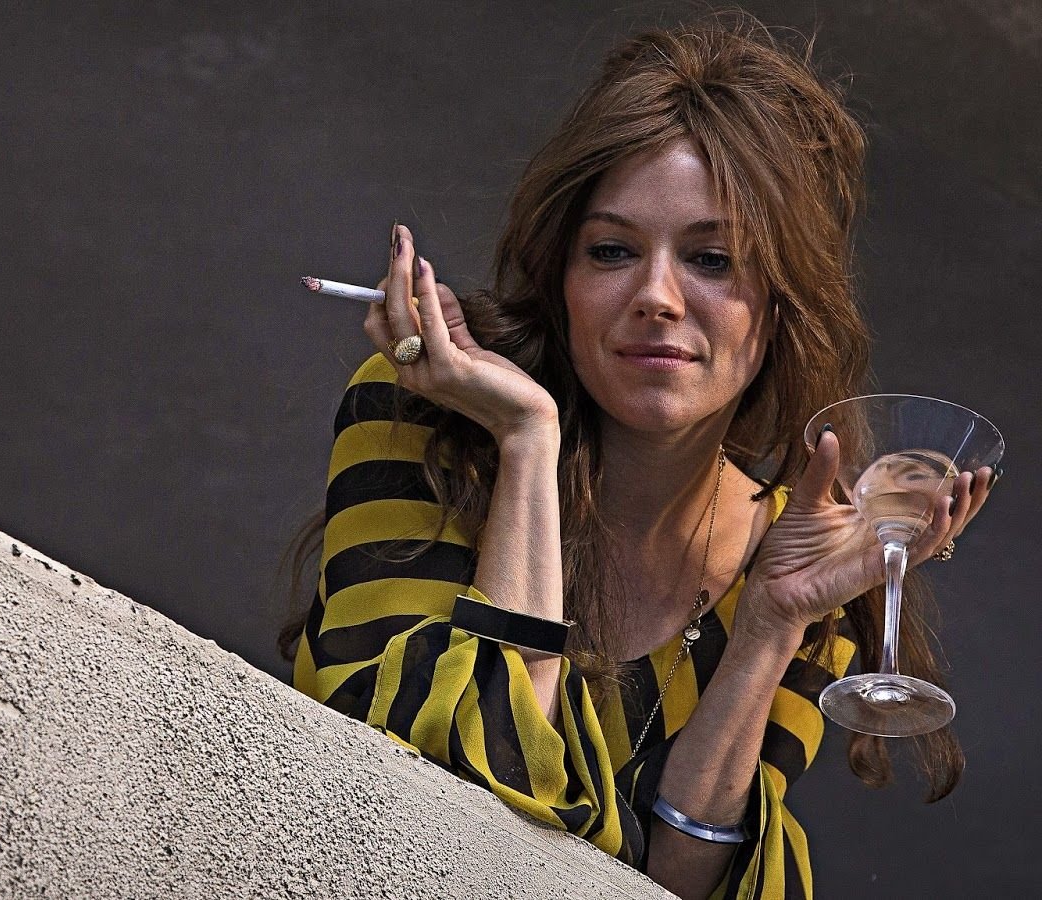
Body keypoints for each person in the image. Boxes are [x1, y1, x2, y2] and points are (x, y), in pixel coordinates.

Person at [279, 12, 997, 900]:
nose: (657, 296)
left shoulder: (811, 552)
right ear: (563, 281)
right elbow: (453, 805)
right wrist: (527, 440)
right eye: (613, 250)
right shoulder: (430, 418)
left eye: (712, 259)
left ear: (781, 304)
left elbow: (678, 883)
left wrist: (771, 625)